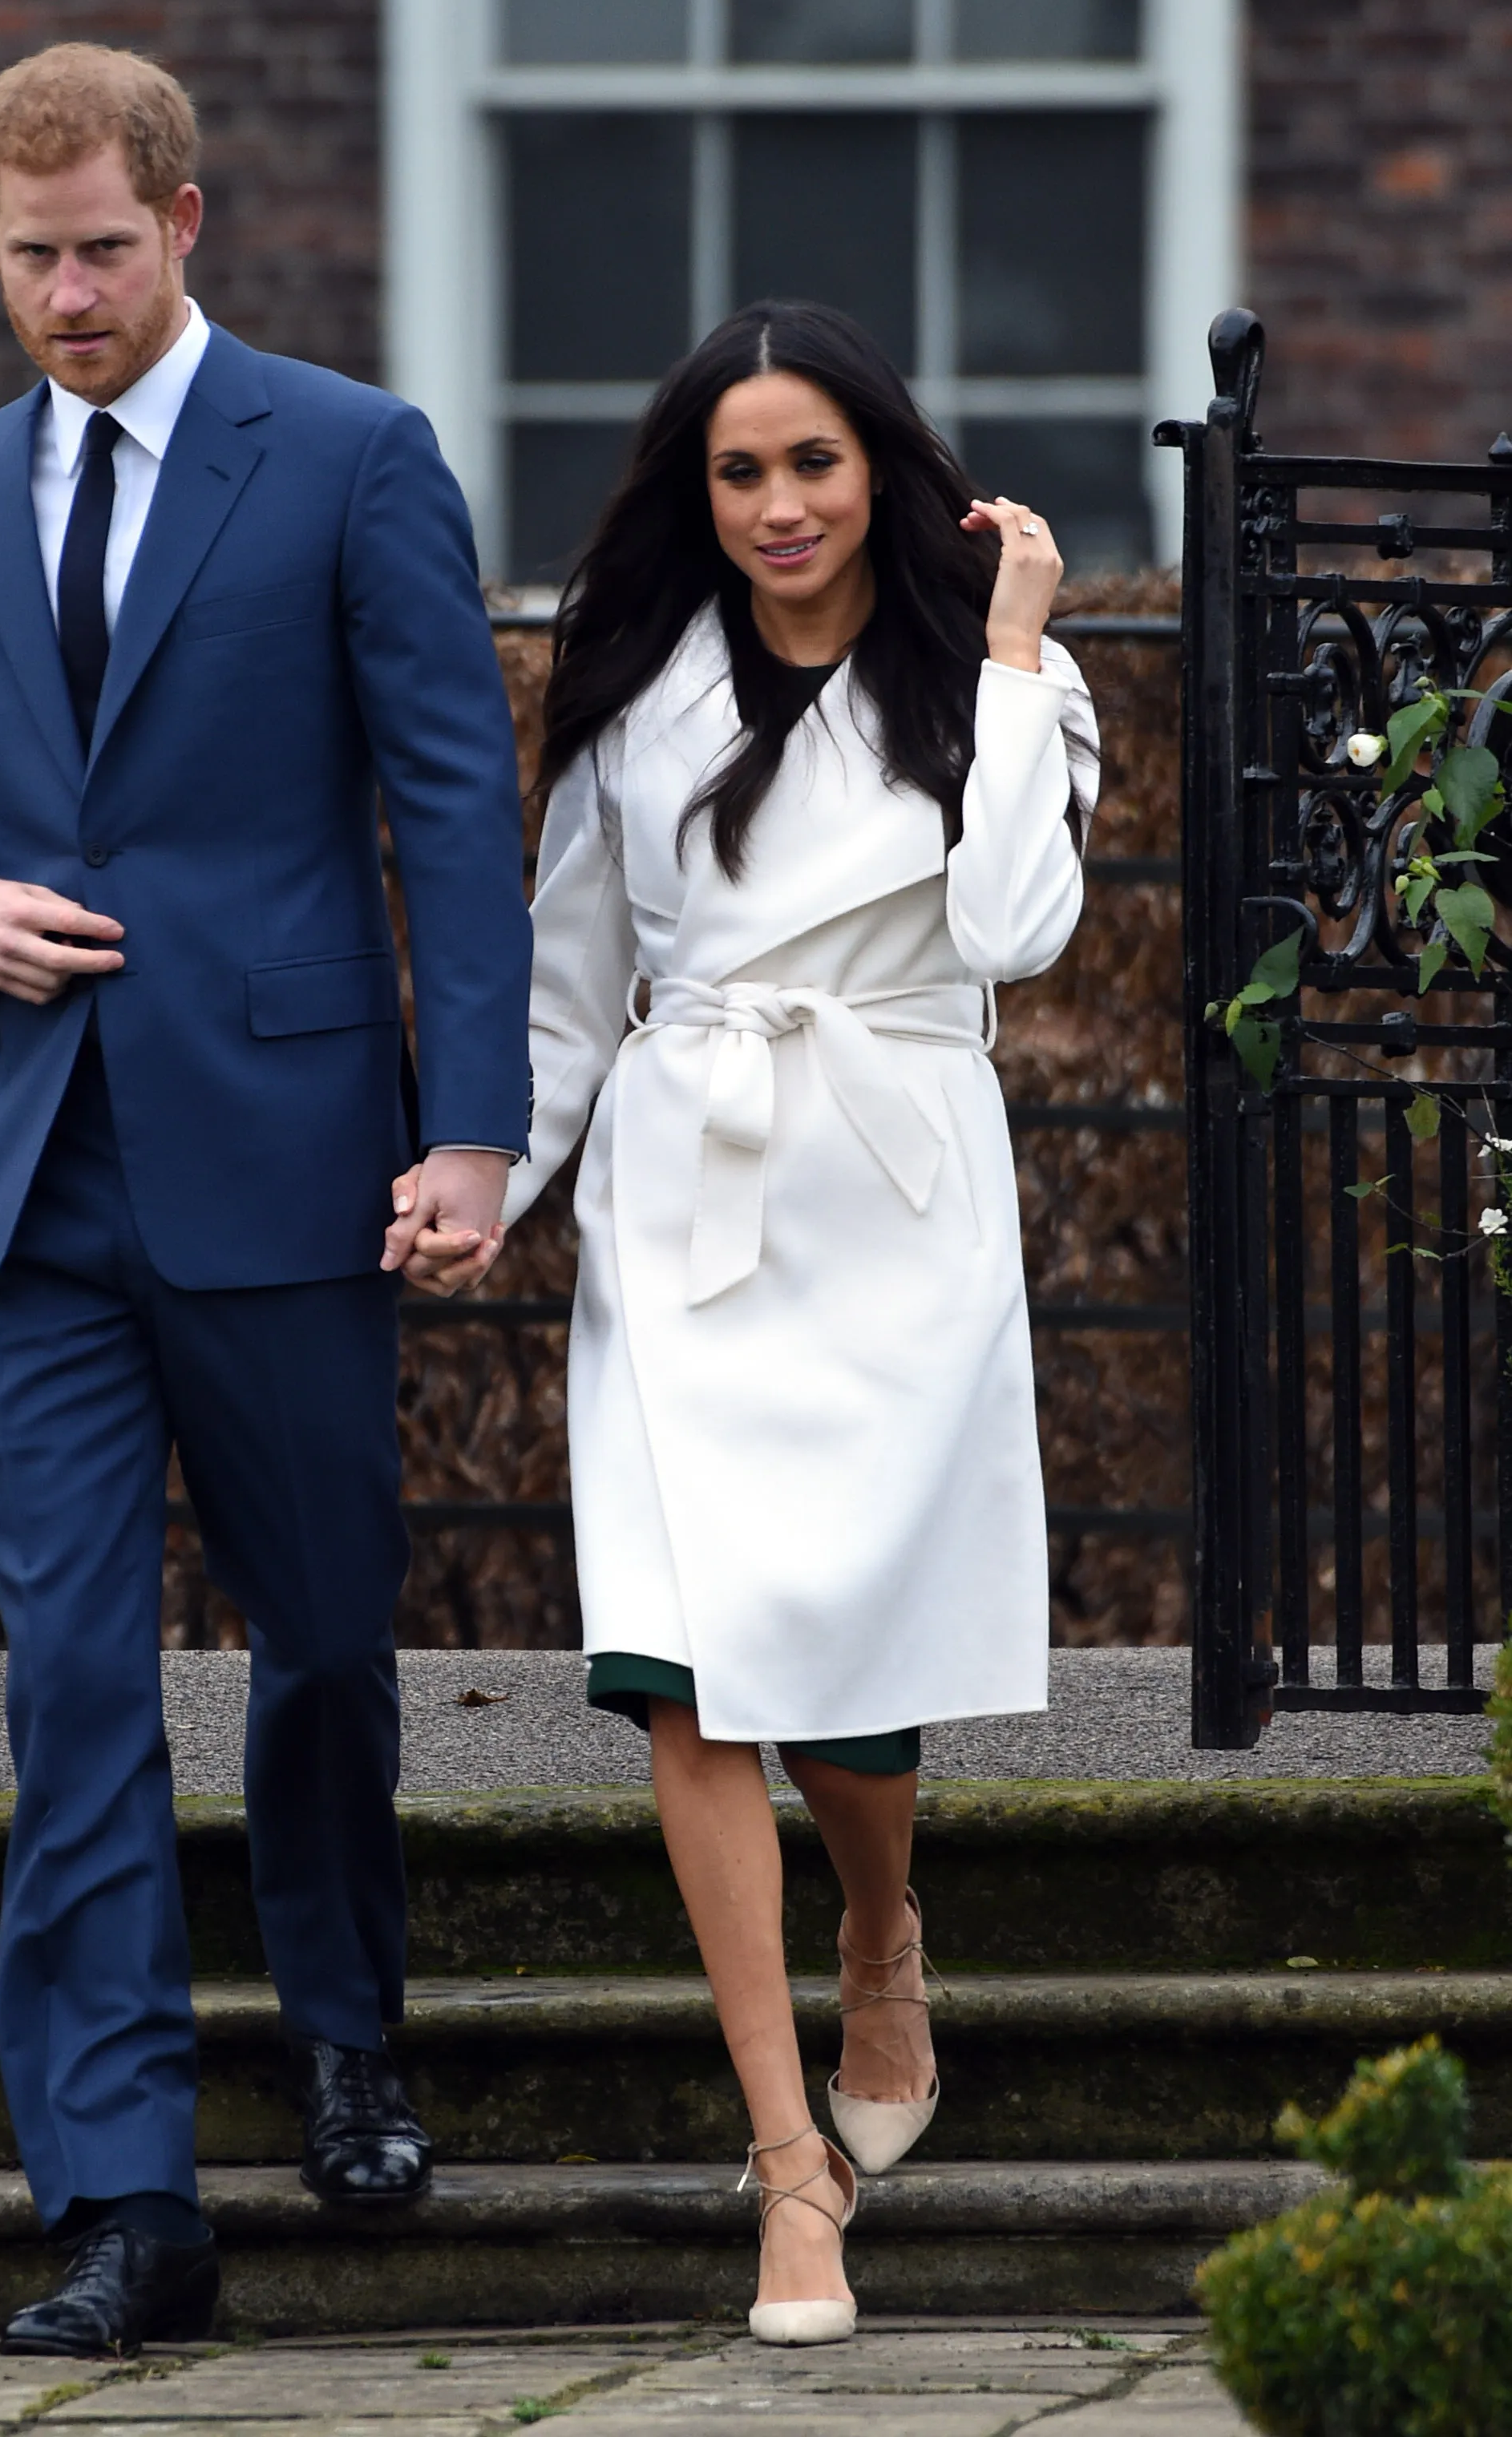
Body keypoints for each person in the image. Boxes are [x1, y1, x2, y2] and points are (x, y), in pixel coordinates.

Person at [0, 43, 532, 2358]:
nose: (68, 294)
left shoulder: (349, 456)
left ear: (183, 222)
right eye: (30, 257)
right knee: (70, 1687)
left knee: (325, 1638)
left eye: (103, 251)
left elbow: (452, 809)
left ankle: (346, 2039)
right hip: (32, 1184)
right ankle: (124, 2199)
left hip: (284, 1158)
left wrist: (472, 1129)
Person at [402, 300, 1096, 2347]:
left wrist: (1017, 648)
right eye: (738, 471)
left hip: (894, 1198)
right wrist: (484, 1176)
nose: (780, 504)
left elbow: (1013, 933)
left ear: (880, 468)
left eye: (812, 462)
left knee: (846, 1673)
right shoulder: (639, 690)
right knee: (687, 1677)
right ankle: (791, 2168)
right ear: (692, 494)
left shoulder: (1003, 684)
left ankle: (881, 1933)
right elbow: (564, 984)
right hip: (686, 1203)